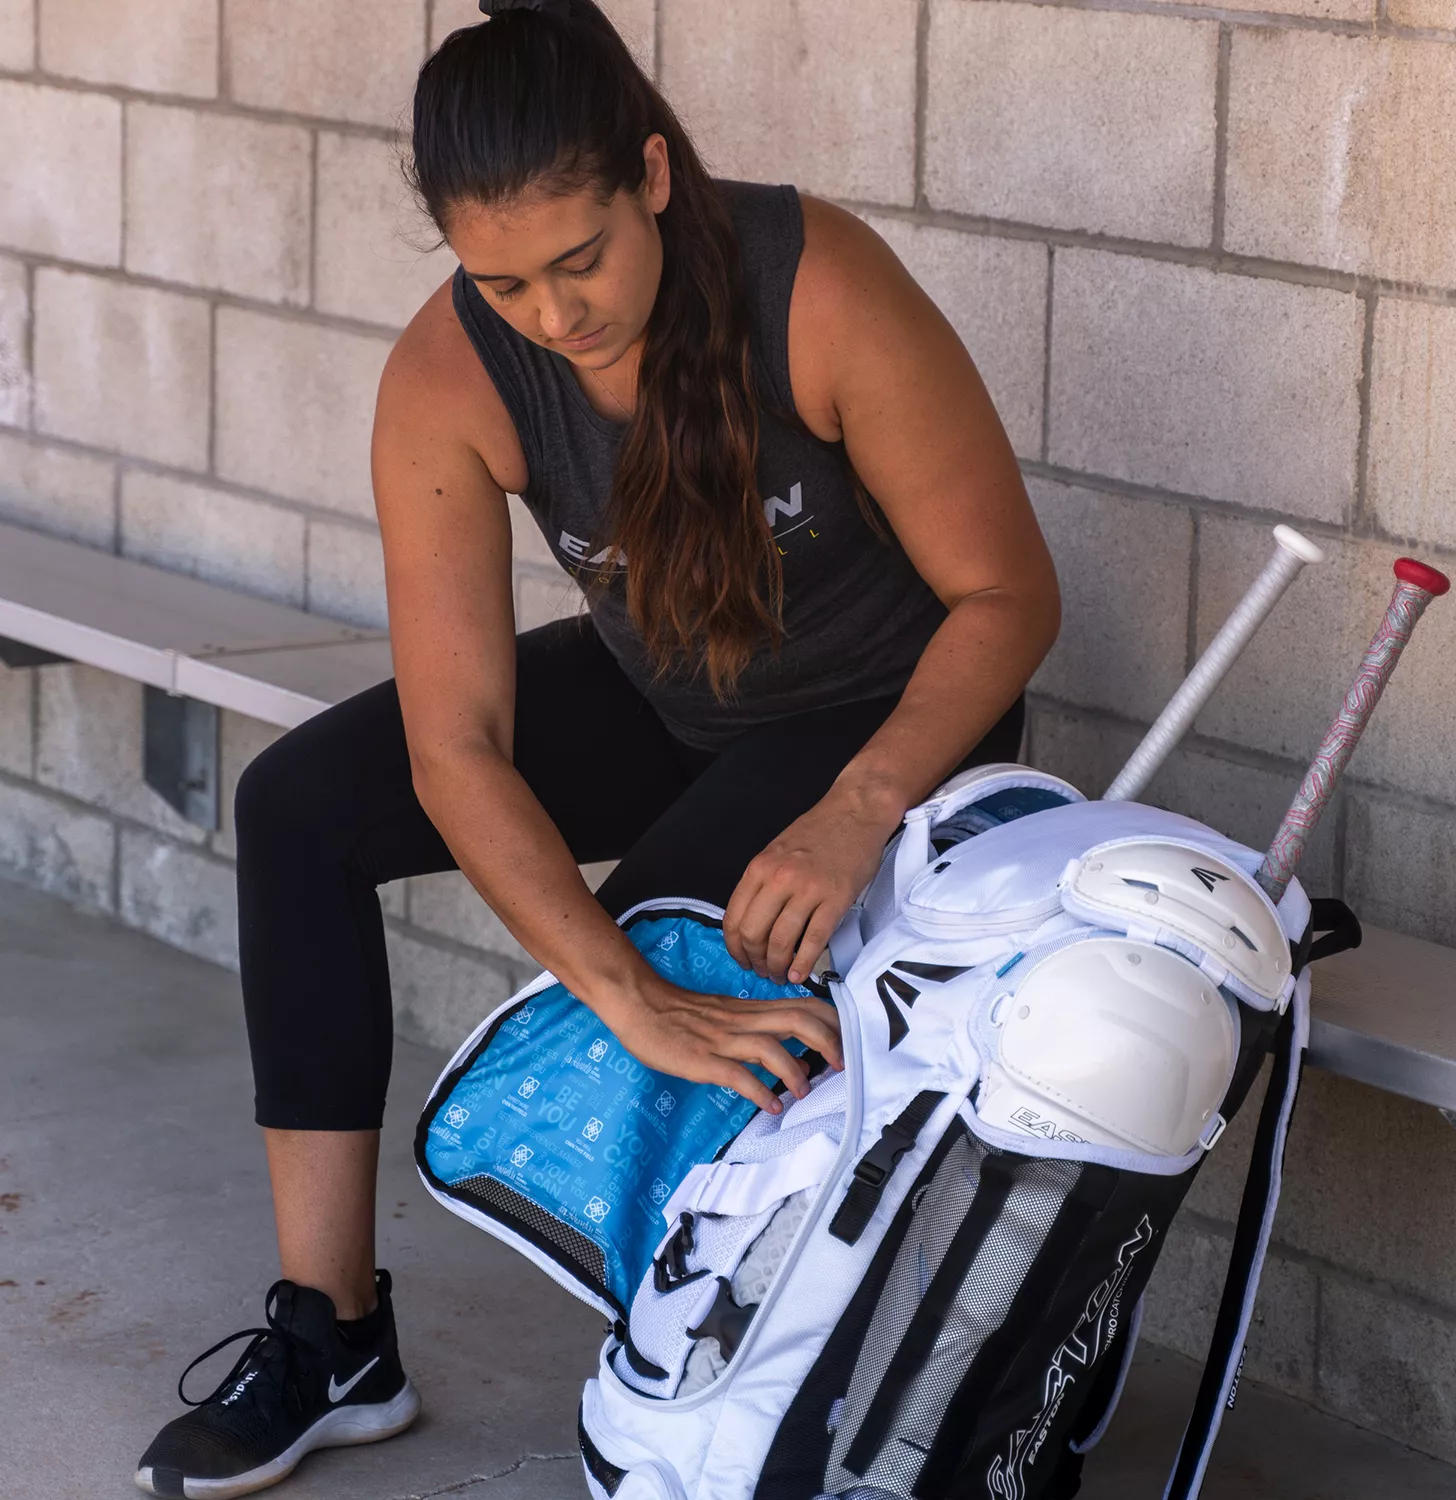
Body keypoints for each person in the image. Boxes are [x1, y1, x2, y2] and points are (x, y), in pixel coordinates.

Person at [134, 0, 1060, 1494]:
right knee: (300, 807)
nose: (553, 315)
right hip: (670, 691)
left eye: (580, 262)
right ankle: (335, 1337)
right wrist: (613, 992)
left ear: (651, 176)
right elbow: (460, 745)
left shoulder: (813, 287)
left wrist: (859, 807)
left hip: (881, 721)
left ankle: (713, 1382)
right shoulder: (449, 377)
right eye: (501, 280)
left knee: (692, 928)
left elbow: (1009, 597)